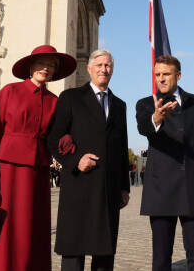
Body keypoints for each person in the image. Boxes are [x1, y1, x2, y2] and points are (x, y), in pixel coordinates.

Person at [0, 45, 77, 271]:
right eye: (42, 63)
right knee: (4, 229)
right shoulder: (9, 92)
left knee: (32, 229)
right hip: (7, 172)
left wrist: (70, 139)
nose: (46, 68)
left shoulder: (54, 101)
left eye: (51, 65)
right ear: (30, 66)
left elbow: (57, 137)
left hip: (38, 174)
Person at [48, 49, 130, 271]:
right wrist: (76, 160)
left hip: (109, 188)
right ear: (89, 68)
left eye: (108, 66)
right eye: (100, 65)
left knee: (105, 250)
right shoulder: (70, 98)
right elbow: (53, 140)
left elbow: (122, 148)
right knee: (74, 249)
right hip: (79, 185)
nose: (104, 69)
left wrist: (124, 186)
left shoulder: (120, 105)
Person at [136, 55, 194, 271]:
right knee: (161, 257)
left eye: (166, 74)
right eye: (157, 75)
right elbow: (144, 128)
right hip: (161, 188)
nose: (161, 79)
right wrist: (157, 118)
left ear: (178, 75)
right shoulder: (146, 104)